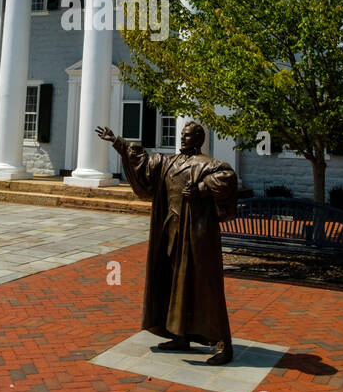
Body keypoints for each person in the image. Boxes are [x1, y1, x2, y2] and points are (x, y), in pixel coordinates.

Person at [96, 120, 238, 365]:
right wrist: (118, 142)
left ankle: (224, 344)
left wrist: (203, 187)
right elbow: (143, 160)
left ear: (199, 139)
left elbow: (228, 178)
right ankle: (179, 334)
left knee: (206, 287)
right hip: (171, 232)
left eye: (189, 135)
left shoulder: (208, 165)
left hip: (196, 236)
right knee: (173, 284)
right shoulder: (169, 162)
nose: (183, 138)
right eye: (182, 134)